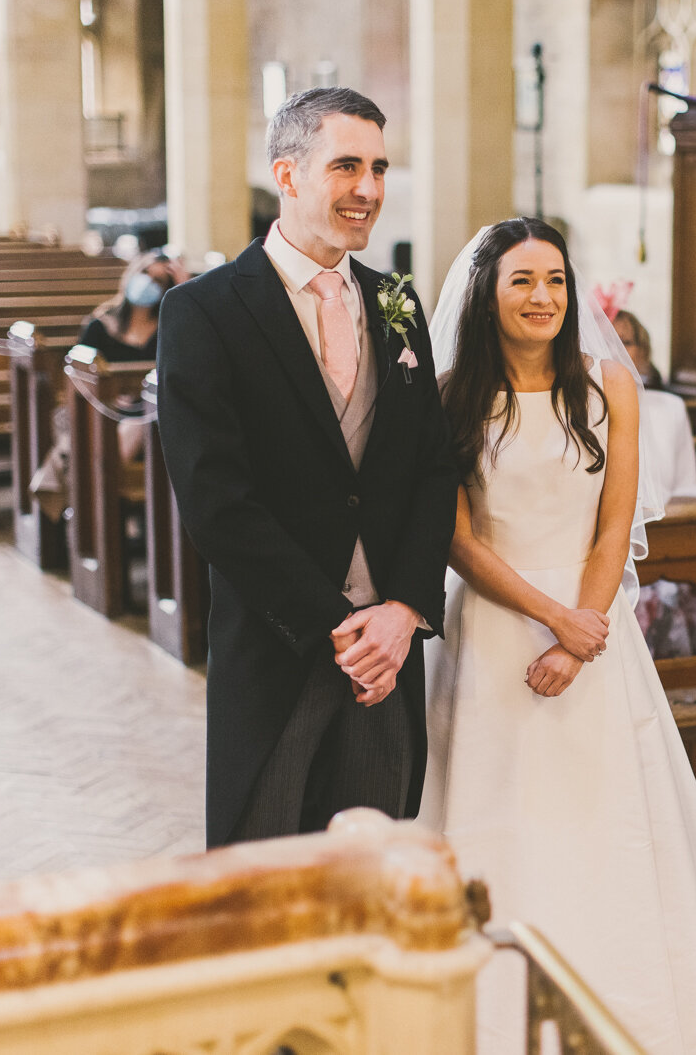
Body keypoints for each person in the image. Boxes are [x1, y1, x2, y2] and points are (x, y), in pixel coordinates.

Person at [417, 218, 696, 1055]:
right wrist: (554, 620)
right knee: (494, 812)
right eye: (522, 280)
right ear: (488, 292)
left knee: (603, 821)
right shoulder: (450, 393)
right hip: (490, 630)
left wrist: (582, 633)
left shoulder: (607, 386)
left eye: (554, 279)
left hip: (594, 631)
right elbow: (460, 539)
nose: (542, 296)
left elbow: (613, 525)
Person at [156, 87, 458, 848]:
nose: (369, 190)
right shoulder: (205, 312)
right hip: (282, 647)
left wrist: (404, 612)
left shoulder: (396, 303)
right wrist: (338, 626)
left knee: (372, 878)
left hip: (385, 660)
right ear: (287, 176)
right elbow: (217, 502)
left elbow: (430, 468)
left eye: (380, 169)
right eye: (347, 166)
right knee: (264, 881)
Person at [29, 252, 190, 518]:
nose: (150, 283)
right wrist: (110, 399)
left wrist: (184, 290)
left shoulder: (170, 325)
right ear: (132, 275)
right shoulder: (101, 325)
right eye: (145, 275)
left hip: (155, 414)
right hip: (102, 410)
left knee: (137, 424)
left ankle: (90, 505)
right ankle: (99, 507)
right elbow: (77, 377)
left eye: (160, 281)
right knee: (129, 427)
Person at [613, 308, 696, 501]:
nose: (616, 350)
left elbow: (686, 485)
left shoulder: (671, 408)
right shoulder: (579, 409)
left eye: (625, 342)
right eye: (606, 340)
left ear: (643, 352)